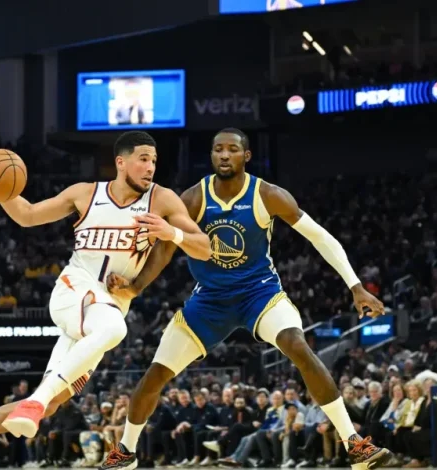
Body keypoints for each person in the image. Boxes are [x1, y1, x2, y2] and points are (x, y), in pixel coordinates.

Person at [100, 128, 394, 470]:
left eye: (232, 149)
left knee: (297, 344)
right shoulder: (194, 198)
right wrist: (134, 287)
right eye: (218, 150)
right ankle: (126, 452)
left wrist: (355, 285)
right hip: (209, 301)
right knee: (155, 376)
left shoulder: (268, 195)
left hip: (259, 294)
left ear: (246, 155)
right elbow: (165, 248)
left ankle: (354, 444)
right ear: (211, 156)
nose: (224, 155)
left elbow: (320, 236)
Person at [0, 131, 211, 470]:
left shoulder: (163, 200)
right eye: (143, 159)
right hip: (75, 291)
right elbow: (26, 215)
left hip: (101, 314)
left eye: (154, 161)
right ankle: (34, 403)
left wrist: (170, 232)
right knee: (115, 329)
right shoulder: (85, 193)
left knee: (52, 404)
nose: (150, 167)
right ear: (121, 162)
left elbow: (205, 247)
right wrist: (0, 189)